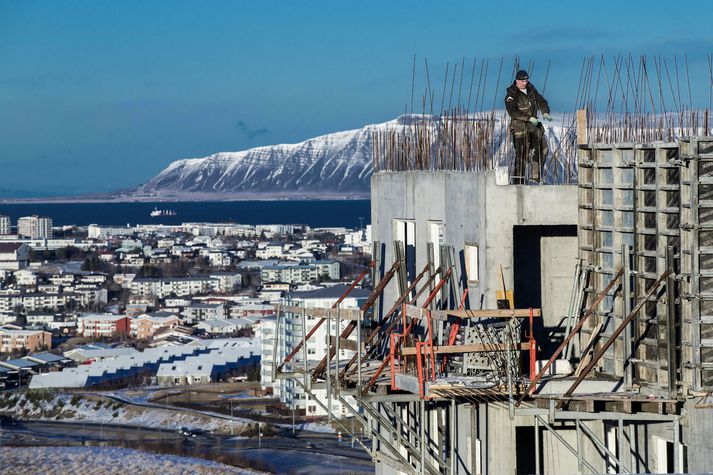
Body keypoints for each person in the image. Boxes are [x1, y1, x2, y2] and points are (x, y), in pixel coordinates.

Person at [504, 70, 552, 183]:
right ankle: (518, 181)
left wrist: (545, 112)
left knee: (542, 148)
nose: (524, 83)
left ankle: (535, 177)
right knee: (521, 155)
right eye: (522, 81)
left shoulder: (531, 90)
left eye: (526, 80)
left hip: (533, 127)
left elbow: (542, 101)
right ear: (516, 80)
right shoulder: (511, 94)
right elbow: (513, 111)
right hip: (520, 129)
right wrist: (528, 118)